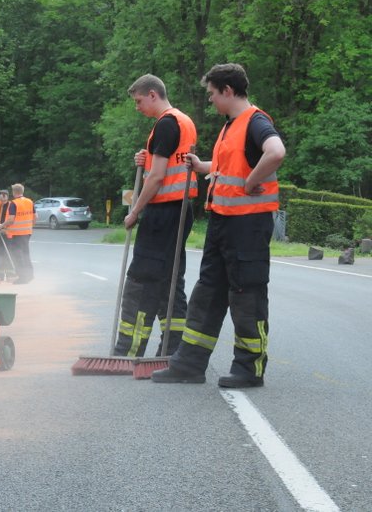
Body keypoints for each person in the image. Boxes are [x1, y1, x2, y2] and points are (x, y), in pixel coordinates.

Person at [152, 63, 285, 388]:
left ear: (227, 90)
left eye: (212, 94)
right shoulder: (231, 126)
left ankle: (249, 369)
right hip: (222, 224)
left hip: (248, 227)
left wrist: (252, 182)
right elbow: (230, 166)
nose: (210, 100)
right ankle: (188, 365)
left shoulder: (255, 121)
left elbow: (276, 152)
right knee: (207, 293)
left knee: (246, 296)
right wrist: (202, 166)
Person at [113, 74, 198, 358]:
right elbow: (165, 162)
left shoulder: (165, 124)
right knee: (170, 279)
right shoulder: (181, 121)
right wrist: (146, 158)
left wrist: (135, 210)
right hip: (181, 210)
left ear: (152, 94)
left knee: (142, 277)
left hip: (163, 213)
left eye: (138, 101)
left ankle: (128, 350)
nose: (137, 107)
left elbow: (158, 176)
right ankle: (172, 349)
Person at [7, 183, 35, 284]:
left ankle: (22, 278)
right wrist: (30, 227)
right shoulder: (30, 201)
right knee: (26, 254)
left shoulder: (13, 203)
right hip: (27, 232)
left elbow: (11, 219)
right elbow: (35, 217)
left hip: (17, 233)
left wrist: (2, 226)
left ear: (14, 192)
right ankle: (30, 275)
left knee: (17, 255)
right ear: (22, 191)